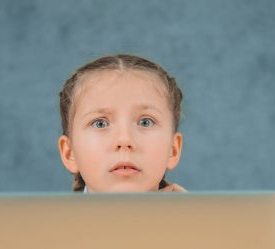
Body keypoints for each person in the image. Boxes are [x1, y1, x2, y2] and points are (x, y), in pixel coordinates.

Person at [57, 54, 187, 193]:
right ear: (70, 153)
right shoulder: (43, 215)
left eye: (145, 122)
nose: (125, 140)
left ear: (173, 150)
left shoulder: (199, 214)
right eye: (100, 123)